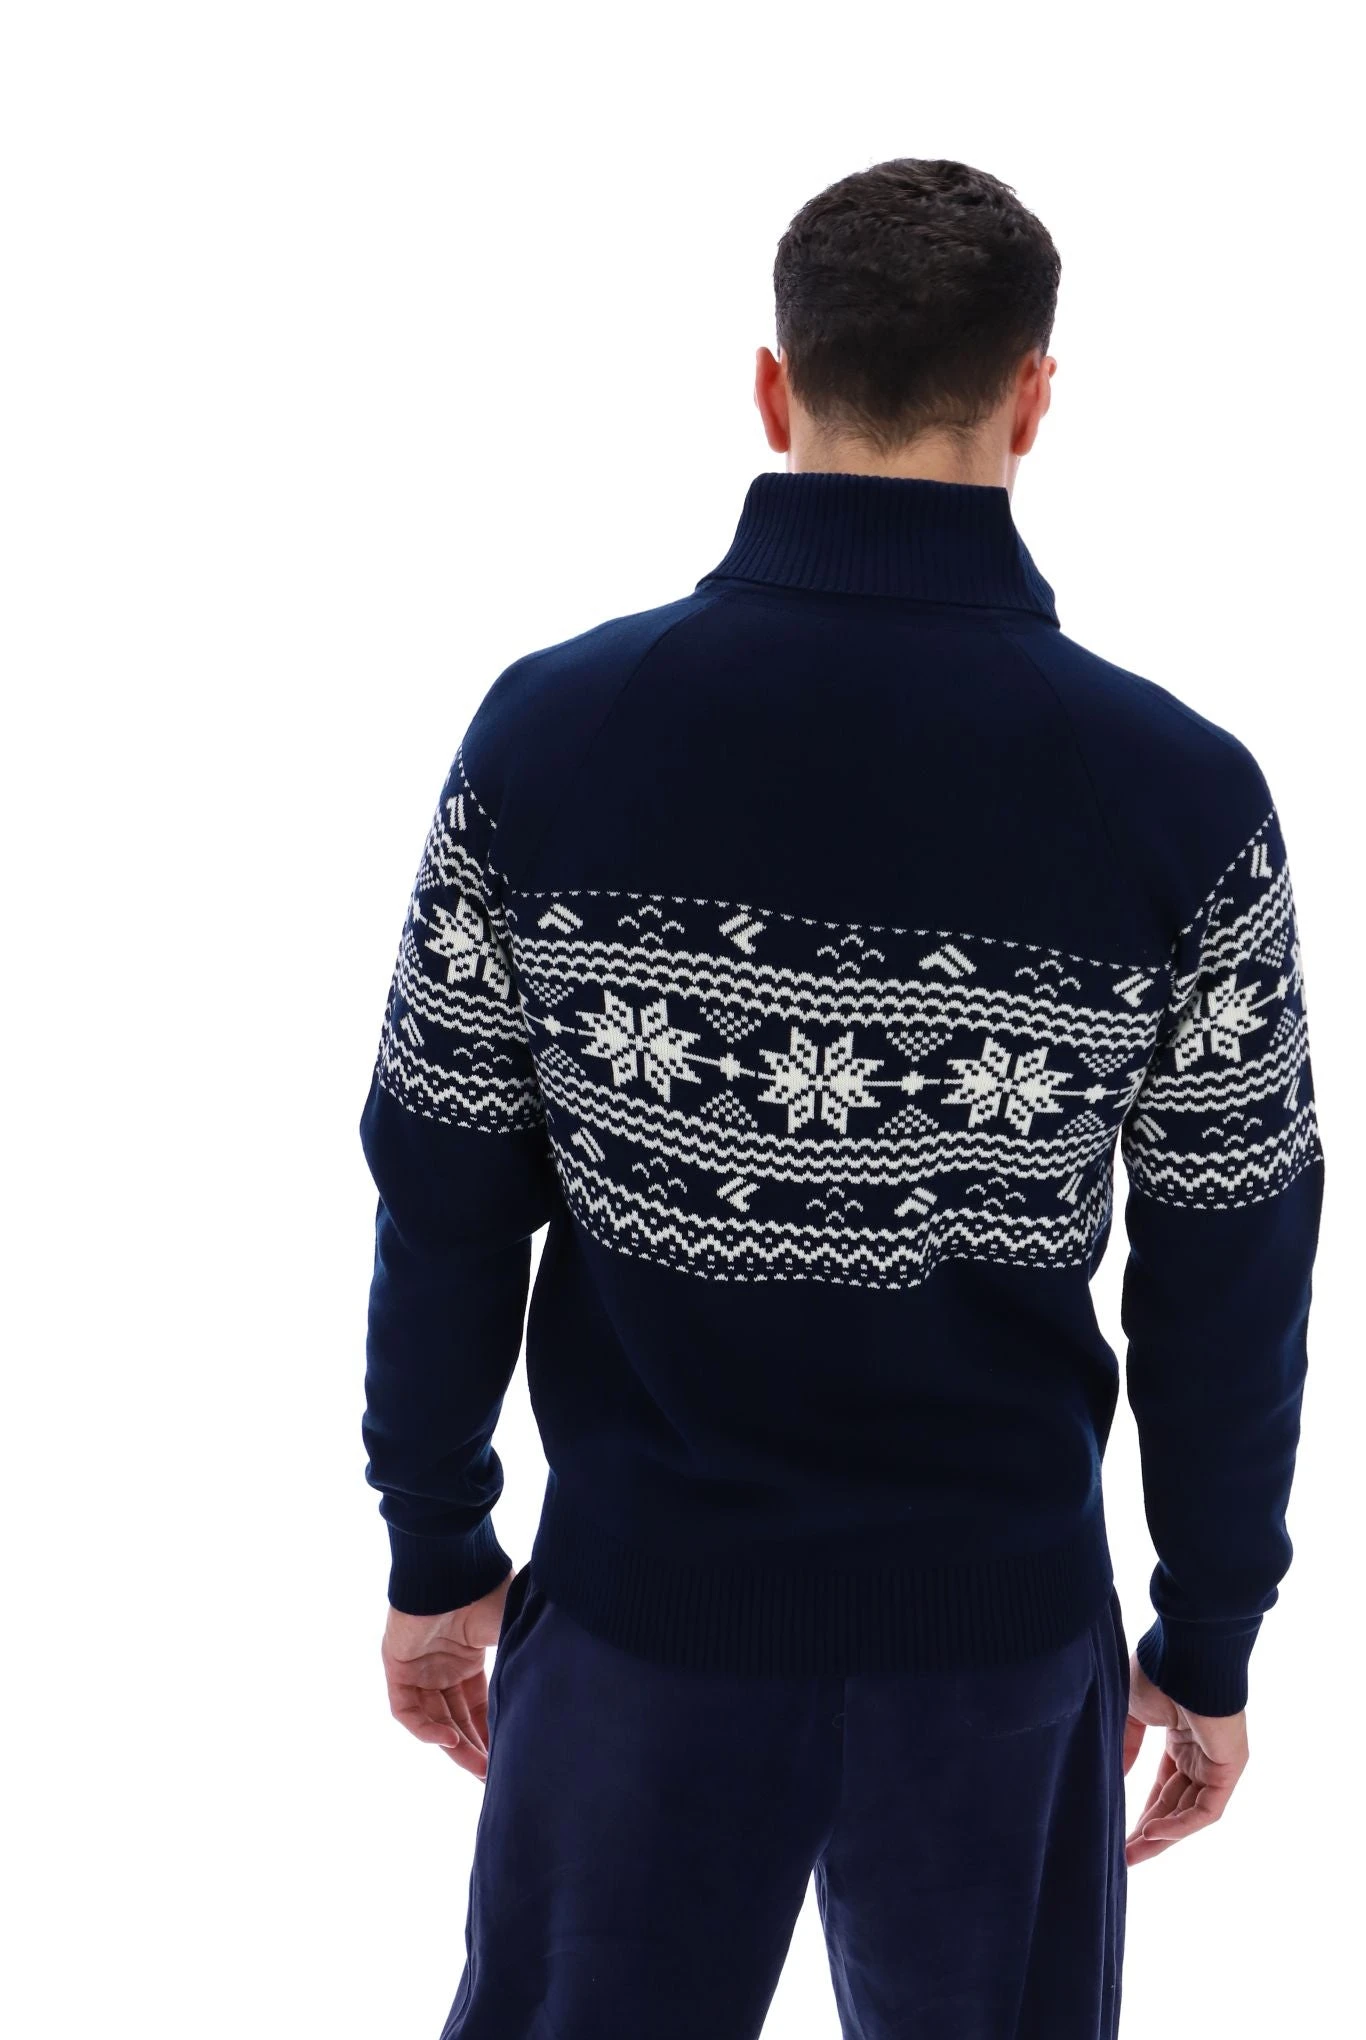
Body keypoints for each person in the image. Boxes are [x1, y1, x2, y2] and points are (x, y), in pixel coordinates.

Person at [357, 157, 1325, 2040]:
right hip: (995, 1642)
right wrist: (1206, 1633)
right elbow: (1231, 1265)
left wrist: (436, 1543)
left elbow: (445, 1187)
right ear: (1032, 399)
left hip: (637, 1617)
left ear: (770, 387)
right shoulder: (1179, 794)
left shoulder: (551, 733)